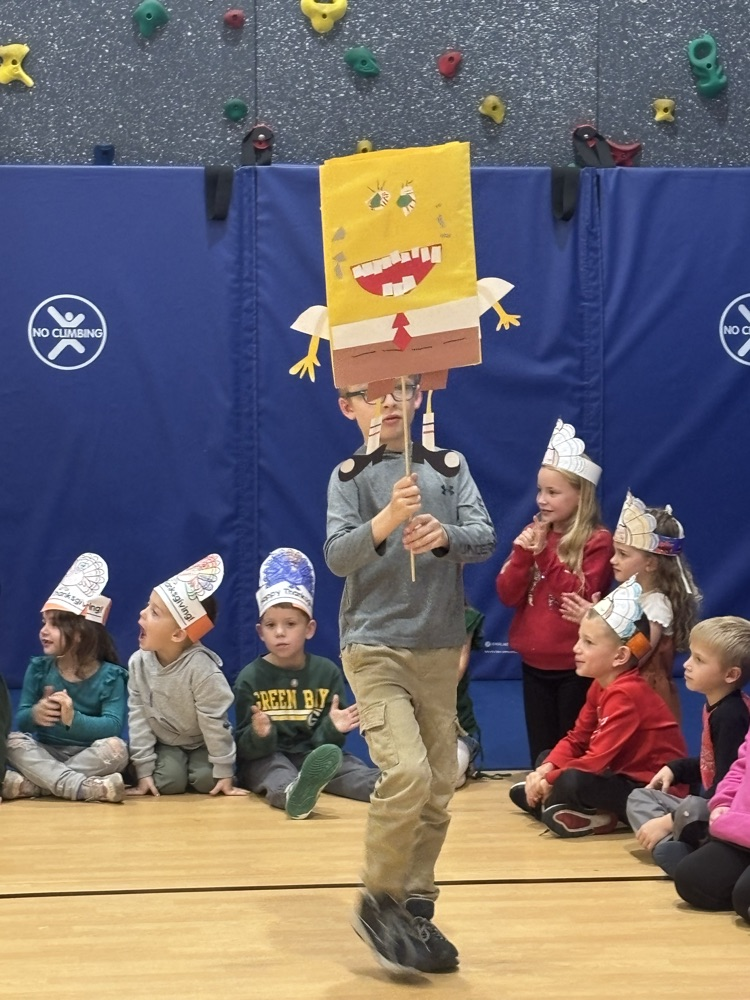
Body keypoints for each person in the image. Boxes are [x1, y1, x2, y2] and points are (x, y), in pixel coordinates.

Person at [326, 376, 496, 975]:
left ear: (419, 398)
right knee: (407, 770)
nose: (390, 401)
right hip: (373, 648)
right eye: (374, 394)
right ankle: (378, 899)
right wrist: (389, 518)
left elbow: (484, 536)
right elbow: (338, 555)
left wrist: (445, 535)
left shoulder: (449, 467)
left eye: (401, 390)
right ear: (350, 408)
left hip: (437, 647)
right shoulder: (349, 477)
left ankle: (414, 902)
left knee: (440, 781)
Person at [508, 577, 688, 837]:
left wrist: (549, 780)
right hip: (617, 774)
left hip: (653, 790)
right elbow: (577, 738)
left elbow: (594, 761)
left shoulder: (627, 693)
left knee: (572, 779)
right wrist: (546, 769)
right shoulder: (601, 684)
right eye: (579, 639)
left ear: (620, 656)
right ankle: (577, 810)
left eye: (588, 643)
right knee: (547, 757)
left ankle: (589, 812)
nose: (576, 648)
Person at [496, 418, 613, 765]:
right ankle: (541, 793)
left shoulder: (597, 541)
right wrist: (521, 554)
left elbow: (575, 596)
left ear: (580, 495)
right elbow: (507, 594)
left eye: (553, 492)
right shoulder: (536, 533)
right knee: (542, 750)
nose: (541, 500)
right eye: (540, 491)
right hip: (534, 663)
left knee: (573, 744)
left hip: (575, 665)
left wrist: (542, 553)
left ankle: (573, 801)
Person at [235, 547, 379, 817]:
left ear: (309, 628)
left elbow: (326, 747)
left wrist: (333, 728)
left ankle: (392, 789)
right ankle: (294, 794)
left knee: (348, 768)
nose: (280, 632)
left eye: (290, 624)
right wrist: (260, 734)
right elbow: (243, 748)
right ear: (260, 632)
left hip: (312, 756)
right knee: (275, 771)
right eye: (271, 625)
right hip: (267, 757)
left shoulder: (327, 672)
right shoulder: (250, 678)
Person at [627, 617, 750, 876]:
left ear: (731, 675)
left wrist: (669, 820)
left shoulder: (733, 715)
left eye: (699, 660)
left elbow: (727, 783)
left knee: (692, 806)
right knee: (640, 797)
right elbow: (712, 762)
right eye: (691, 656)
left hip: (724, 809)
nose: (687, 664)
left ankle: (685, 850)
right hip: (707, 804)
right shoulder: (716, 706)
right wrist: (675, 769)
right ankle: (677, 846)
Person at [562, 491, 700, 720]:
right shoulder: (628, 592)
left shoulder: (656, 606)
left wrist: (603, 623)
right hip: (620, 690)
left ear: (651, 563)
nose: (613, 560)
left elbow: (637, 653)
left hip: (644, 700)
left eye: (623, 554)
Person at [2, 554, 128, 803]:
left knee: (117, 749)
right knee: (13, 741)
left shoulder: (111, 676)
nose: (43, 630)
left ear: (80, 633)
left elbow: (113, 726)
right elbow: (23, 721)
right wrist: (36, 714)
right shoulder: (38, 669)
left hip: (89, 753)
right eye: (43, 622)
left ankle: (36, 786)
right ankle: (84, 788)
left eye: (54, 625)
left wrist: (74, 719)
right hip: (46, 751)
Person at [126, 554, 246, 797]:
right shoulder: (138, 662)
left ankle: (205, 768)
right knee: (168, 782)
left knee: (207, 782)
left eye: (154, 612)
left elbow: (215, 722)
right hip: (165, 743)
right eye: (148, 606)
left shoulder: (203, 670)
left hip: (202, 742)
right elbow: (138, 716)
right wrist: (143, 771)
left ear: (178, 634)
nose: (142, 613)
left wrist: (224, 772)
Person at [673, 718, 750, 925]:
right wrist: (724, 801)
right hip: (741, 831)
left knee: (745, 899)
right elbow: (741, 767)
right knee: (691, 879)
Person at [455, 605, 484, 789]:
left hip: (454, 726)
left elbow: (455, 672)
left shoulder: (465, 616)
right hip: (412, 725)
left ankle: (467, 753)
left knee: (447, 778)